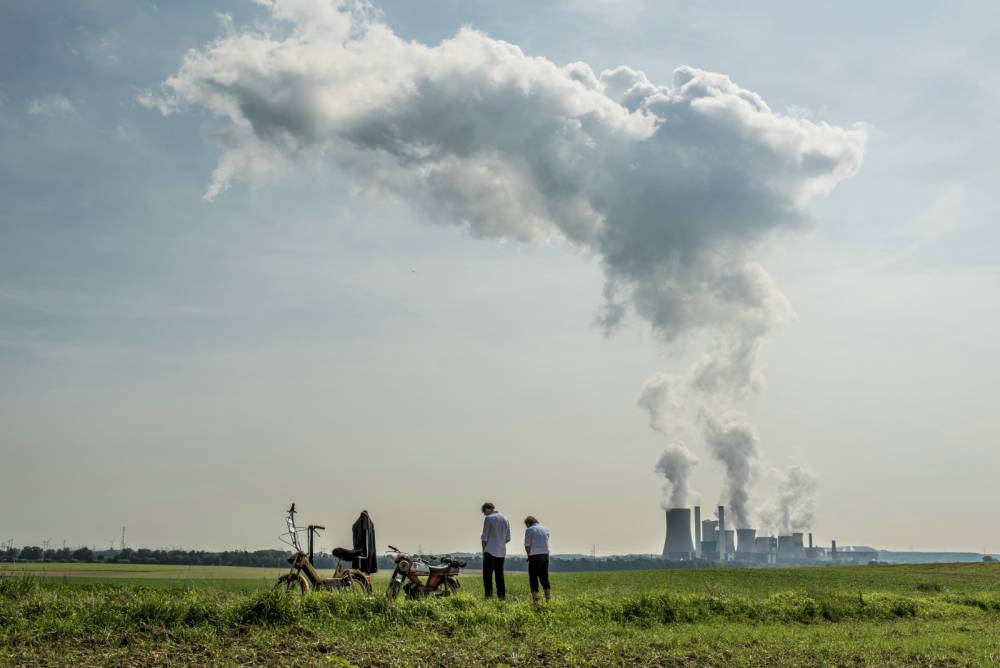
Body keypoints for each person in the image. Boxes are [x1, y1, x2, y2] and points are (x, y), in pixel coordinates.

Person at [480, 502, 510, 599]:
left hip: (490, 551)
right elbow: (508, 538)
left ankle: (488, 596)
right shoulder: (505, 519)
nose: (484, 514)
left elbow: (484, 538)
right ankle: (502, 597)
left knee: (487, 576)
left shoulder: (489, 519)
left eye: (484, 512)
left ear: (488, 509)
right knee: (499, 576)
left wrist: (484, 550)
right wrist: (500, 543)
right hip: (501, 552)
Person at [523, 515, 551, 603]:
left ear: (528, 523)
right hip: (545, 555)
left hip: (534, 556)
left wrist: (529, 555)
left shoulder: (529, 530)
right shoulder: (545, 529)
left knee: (533, 578)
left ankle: (535, 601)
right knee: (544, 577)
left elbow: (527, 545)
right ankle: (548, 599)